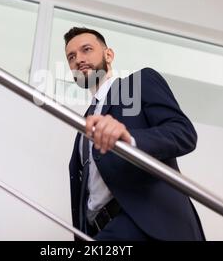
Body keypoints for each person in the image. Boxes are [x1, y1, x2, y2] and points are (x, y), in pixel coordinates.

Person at [65, 27, 205, 241]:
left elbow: (183, 132)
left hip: (149, 224)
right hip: (99, 231)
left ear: (108, 55)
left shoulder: (139, 83)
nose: (78, 60)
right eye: (71, 57)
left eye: (86, 49)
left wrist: (130, 140)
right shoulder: (83, 127)